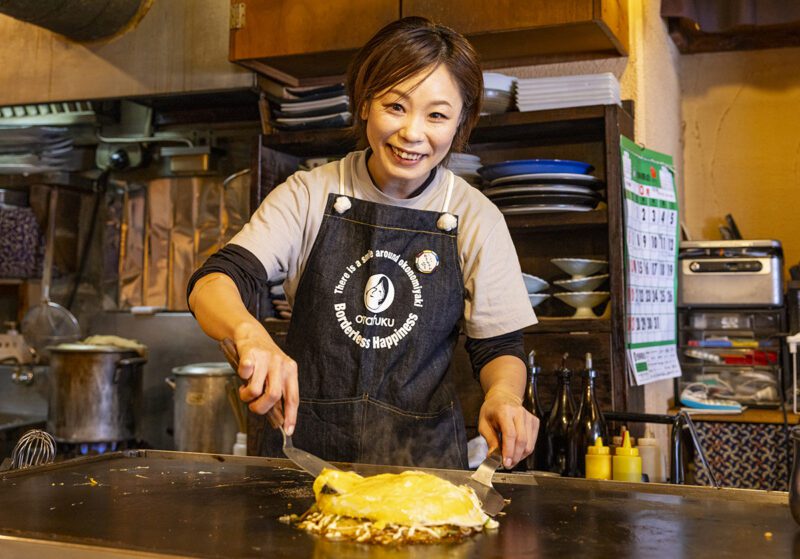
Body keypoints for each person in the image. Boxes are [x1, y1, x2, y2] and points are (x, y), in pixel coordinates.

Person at [188, 16, 538, 470]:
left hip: (424, 471)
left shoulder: (475, 216)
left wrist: (505, 395)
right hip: (303, 459)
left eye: (436, 115)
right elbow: (214, 281)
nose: (413, 133)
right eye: (396, 106)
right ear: (364, 103)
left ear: (460, 123)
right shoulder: (309, 193)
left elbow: (498, 347)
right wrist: (249, 332)